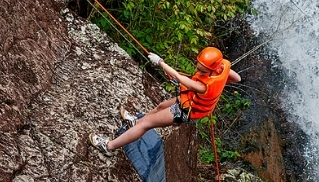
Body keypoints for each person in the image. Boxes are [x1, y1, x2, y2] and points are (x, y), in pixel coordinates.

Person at [89, 47, 241, 154]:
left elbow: (179, 78)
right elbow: (237, 78)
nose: (198, 72)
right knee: (161, 106)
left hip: (185, 110)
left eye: (202, 71)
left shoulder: (203, 86)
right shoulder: (222, 68)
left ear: (213, 68)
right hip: (188, 100)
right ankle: (134, 122)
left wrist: (160, 62)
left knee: (146, 124)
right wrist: (220, 83)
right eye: (198, 68)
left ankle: (109, 146)